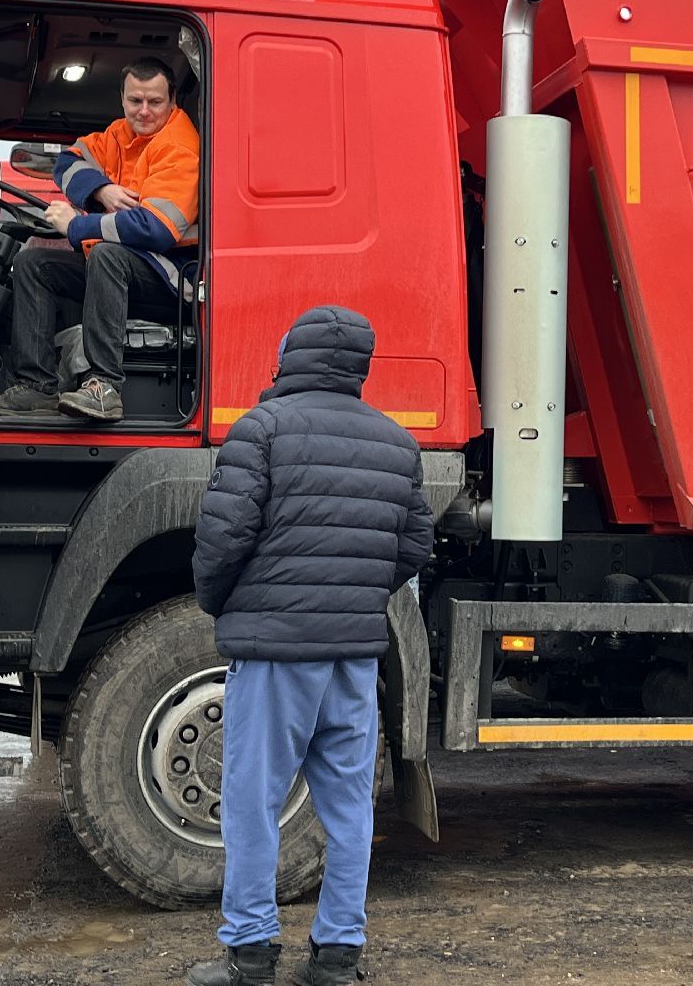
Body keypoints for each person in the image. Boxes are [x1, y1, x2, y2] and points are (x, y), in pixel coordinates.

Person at [187, 305, 434, 986]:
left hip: (274, 654)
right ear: (359, 365)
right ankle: (336, 957)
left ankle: (251, 955)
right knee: (349, 806)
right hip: (352, 654)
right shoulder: (394, 442)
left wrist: (223, 602)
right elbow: (415, 544)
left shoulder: (261, 430)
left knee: (253, 801)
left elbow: (222, 539)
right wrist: (355, 591)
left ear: (291, 353)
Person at [0, 56, 199, 422]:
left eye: (154, 102)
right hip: (130, 268)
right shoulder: (121, 135)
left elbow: (155, 229)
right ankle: (37, 386)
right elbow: (68, 161)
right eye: (134, 101)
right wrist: (102, 191)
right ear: (123, 99)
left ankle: (104, 387)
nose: (143, 111)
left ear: (172, 101)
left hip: (172, 280)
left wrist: (77, 227)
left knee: (107, 256)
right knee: (34, 263)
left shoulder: (179, 145)